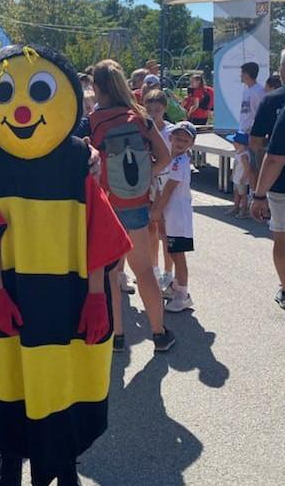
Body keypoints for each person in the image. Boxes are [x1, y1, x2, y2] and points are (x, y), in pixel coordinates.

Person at [0, 45, 132, 486]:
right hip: (13, 289)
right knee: (10, 377)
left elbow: (97, 229)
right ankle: (10, 459)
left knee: (65, 376)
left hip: (70, 291)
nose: (23, 110)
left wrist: (97, 296)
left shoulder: (77, 157)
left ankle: (64, 464)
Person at [89, 59, 174, 352]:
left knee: (111, 274)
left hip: (106, 205)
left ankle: (117, 336)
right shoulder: (140, 117)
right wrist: (145, 177)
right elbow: (165, 157)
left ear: (96, 87)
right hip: (136, 204)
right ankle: (159, 334)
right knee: (144, 271)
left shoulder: (93, 121)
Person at [251, 46, 285, 309]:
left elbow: (261, 147)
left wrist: (259, 192)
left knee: (282, 238)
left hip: (282, 183)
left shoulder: (274, 101)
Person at [150, 121, 197, 312]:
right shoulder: (169, 160)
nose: (180, 143)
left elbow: (169, 189)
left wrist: (156, 210)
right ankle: (176, 286)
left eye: (185, 140)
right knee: (172, 250)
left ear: (191, 144)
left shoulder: (180, 162)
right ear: (170, 138)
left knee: (178, 255)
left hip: (178, 216)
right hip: (170, 215)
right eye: (177, 138)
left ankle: (183, 294)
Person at [144, 89, 174, 289]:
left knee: (166, 230)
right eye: (149, 110)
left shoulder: (171, 132)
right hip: (150, 185)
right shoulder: (143, 129)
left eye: (157, 110)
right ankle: (153, 268)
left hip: (167, 183)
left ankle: (168, 271)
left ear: (164, 109)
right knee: (150, 227)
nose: (153, 114)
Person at [225, 132, 251, 217]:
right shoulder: (238, 153)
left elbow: (247, 168)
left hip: (241, 179)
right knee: (236, 193)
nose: (233, 144)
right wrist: (233, 174)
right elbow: (235, 165)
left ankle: (243, 211)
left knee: (243, 195)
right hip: (236, 177)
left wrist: (244, 178)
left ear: (240, 144)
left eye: (235, 142)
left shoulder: (244, 156)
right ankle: (235, 208)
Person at [239, 62, 265, 134]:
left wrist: (253, 128)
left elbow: (260, 113)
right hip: (243, 129)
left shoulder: (259, 91)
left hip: (252, 131)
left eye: (242, 73)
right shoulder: (246, 90)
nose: (240, 75)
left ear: (246, 74)